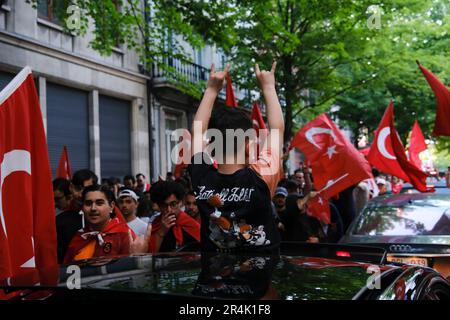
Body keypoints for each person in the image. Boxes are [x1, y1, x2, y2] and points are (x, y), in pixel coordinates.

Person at [189, 62, 283, 254]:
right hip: (258, 281)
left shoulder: (201, 177)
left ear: (211, 147)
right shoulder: (262, 177)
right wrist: (268, 87)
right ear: (249, 146)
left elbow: (198, 132)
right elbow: (277, 129)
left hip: (213, 280)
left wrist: (211, 90)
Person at [64, 185, 151, 263]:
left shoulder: (124, 235)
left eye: (99, 203)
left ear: (112, 206)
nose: (93, 208)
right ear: (82, 208)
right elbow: (68, 271)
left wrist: (136, 257)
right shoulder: (80, 236)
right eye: (88, 203)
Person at [56, 169, 98, 263]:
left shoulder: (107, 215)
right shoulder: (60, 221)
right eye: (78, 188)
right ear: (71, 187)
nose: (81, 194)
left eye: (87, 189)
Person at [149, 181, 200, 252]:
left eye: (173, 204)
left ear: (181, 202)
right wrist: (162, 231)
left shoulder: (191, 224)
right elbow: (150, 254)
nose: (169, 210)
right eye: (164, 206)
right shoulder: (156, 224)